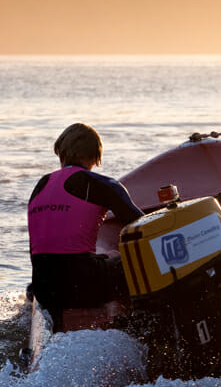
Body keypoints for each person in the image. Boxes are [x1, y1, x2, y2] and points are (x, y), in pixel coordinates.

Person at [27, 123, 144, 323]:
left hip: (44, 289)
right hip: (83, 287)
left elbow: (36, 248)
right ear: (96, 156)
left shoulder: (40, 186)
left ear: (61, 154)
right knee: (130, 261)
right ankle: (141, 320)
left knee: (104, 258)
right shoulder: (102, 184)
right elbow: (143, 226)